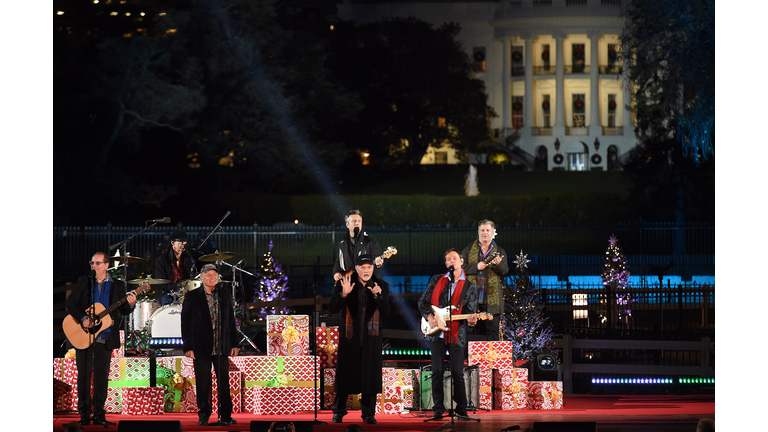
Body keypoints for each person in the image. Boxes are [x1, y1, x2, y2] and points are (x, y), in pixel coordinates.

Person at [66, 252, 137, 426]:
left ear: (106, 265)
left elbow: (124, 311)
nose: (94, 266)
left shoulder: (117, 285)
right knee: (83, 375)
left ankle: (99, 412)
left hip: (105, 337)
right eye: (92, 263)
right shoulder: (85, 281)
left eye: (98, 263)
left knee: (101, 377)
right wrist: (83, 318)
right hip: (84, 336)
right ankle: (84, 413)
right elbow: (71, 303)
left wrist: (131, 304)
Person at [329, 255, 392, 424]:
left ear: (373, 268)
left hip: (372, 337)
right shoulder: (346, 282)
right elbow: (333, 308)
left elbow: (387, 312)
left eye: (369, 267)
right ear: (356, 268)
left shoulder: (381, 285)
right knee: (345, 374)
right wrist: (343, 294)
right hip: (350, 337)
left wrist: (379, 296)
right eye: (363, 267)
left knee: (370, 374)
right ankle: (339, 411)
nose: (366, 271)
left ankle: (368, 413)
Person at [418, 248, 478, 420]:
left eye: (454, 258)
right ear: (446, 264)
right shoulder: (437, 279)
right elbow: (423, 301)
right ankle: (438, 407)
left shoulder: (470, 286)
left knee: (458, 372)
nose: (451, 262)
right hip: (437, 333)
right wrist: (430, 317)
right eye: (448, 259)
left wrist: (472, 321)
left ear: (461, 261)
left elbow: (470, 313)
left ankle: (461, 407)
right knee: (437, 371)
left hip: (456, 334)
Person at [181, 263, 240, 425]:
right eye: (209, 274)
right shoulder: (192, 296)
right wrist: (188, 347)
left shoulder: (225, 294)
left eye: (215, 274)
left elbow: (230, 321)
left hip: (221, 345)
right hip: (200, 346)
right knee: (203, 382)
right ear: (201, 277)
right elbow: (185, 323)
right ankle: (204, 413)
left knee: (224, 382)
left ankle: (226, 415)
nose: (212, 277)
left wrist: (234, 343)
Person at [461, 220, 508, 341]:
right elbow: (459, 268)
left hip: (491, 299)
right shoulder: (468, 249)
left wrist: (498, 265)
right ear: (478, 232)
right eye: (482, 230)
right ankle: (467, 359)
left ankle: (491, 359)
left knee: (493, 332)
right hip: (472, 298)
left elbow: (505, 271)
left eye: (488, 230)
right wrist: (476, 267)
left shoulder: (499, 251)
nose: (485, 233)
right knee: (466, 330)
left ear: (493, 233)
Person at [333, 210, 384, 282]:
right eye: (354, 221)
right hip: (348, 284)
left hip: (368, 284)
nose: (357, 223)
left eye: (359, 221)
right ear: (347, 225)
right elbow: (338, 261)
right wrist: (336, 272)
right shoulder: (342, 243)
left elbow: (377, 259)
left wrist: (378, 263)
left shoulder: (371, 241)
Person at [154, 230, 195, 305]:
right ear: (172, 243)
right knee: (168, 305)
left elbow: (189, 277)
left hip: (182, 293)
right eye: (180, 243)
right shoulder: (162, 259)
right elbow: (161, 282)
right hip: (166, 293)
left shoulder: (187, 259)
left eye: (184, 243)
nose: (183, 245)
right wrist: (177, 286)